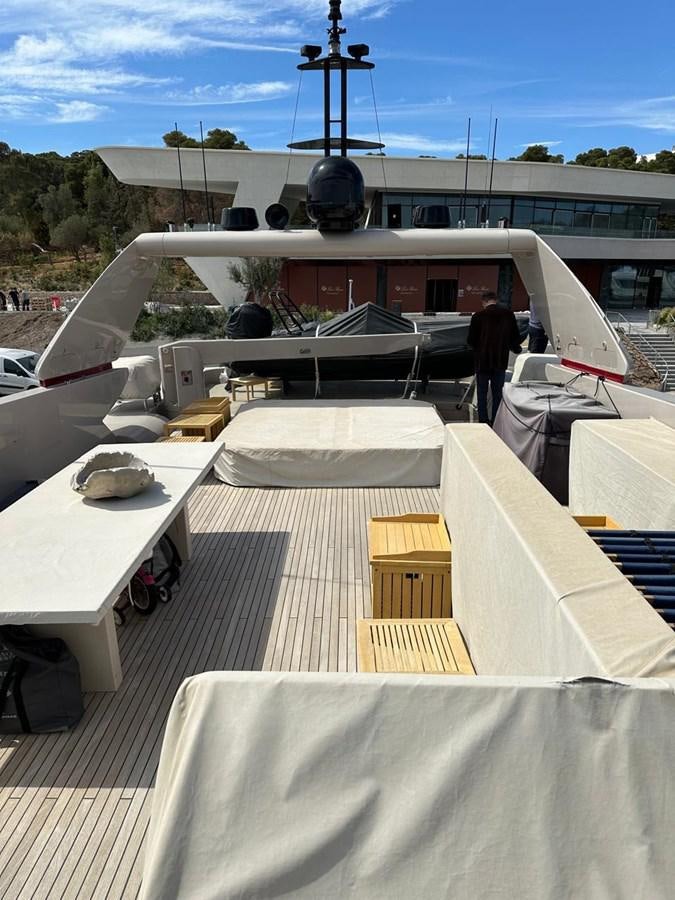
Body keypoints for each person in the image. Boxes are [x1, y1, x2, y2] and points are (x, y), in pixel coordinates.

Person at [467, 291, 522, 425]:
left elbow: (471, 340)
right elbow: (515, 338)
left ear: (483, 302)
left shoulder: (478, 317)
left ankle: (483, 422)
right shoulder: (508, 315)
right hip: (500, 361)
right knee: (498, 394)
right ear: (496, 300)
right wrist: (516, 349)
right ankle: (496, 422)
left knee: (482, 394)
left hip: (482, 362)